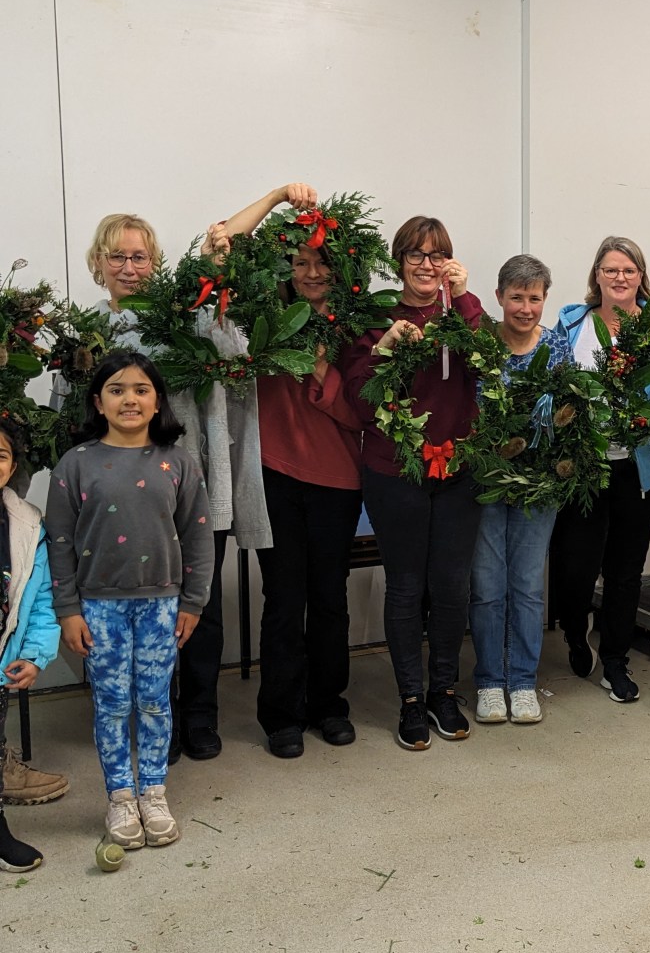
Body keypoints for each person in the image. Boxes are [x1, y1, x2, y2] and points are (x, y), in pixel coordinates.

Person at [82, 184, 313, 763]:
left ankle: (198, 717)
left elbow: (223, 242)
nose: (129, 267)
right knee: (140, 610)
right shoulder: (87, 335)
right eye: (118, 256)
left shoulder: (183, 310)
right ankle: (146, 714)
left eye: (140, 256)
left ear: (156, 263)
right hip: (121, 498)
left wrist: (281, 194)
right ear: (98, 265)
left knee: (197, 606)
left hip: (189, 486)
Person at [45, 352, 214, 849]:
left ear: (156, 399)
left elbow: (199, 537)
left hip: (163, 604)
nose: (130, 399)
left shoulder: (179, 462)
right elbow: (58, 542)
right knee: (113, 705)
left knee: (156, 703)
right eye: (117, 390)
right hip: (98, 607)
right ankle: (121, 797)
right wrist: (68, 610)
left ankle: (153, 793)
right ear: (98, 402)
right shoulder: (74, 465)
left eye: (140, 389)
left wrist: (194, 601)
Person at [343, 216, 482, 751]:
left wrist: (466, 299)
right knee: (405, 585)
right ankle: (409, 698)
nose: (427, 266)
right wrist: (386, 351)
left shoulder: (460, 313)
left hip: (457, 468)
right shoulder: (379, 317)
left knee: (450, 584)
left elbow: (488, 365)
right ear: (399, 261)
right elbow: (359, 399)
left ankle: (443, 690)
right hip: (393, 469)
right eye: (416, 256)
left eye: (437, 256)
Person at [549, 236, 650, 703]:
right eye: (611, 270)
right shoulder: (572, 323)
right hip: (583, 465)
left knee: (625, 569)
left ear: (641, 276)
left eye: (629, 270)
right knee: (576, 566)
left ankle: (616, 661)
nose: (620, 278)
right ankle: (574, 631)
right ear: (597, 276)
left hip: (641, 469)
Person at [253, 233, 363, 758]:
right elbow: (223, 250)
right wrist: (277, 195)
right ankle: (280, 713)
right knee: (283, 598)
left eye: (322, 263)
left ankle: (328, 704)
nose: (312, 273)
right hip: (275, 473)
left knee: (329, 598)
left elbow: (362, 412)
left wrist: (322, 370)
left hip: (338, 479)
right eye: (301, 262)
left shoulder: (357, 328)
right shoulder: (263, 318)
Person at [470, 255, 571, 725]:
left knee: (528, 587)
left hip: (539, 488)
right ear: (499, 298)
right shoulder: (483, 345)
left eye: (534, 298)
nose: (525, 307)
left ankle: (524, 681)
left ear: (544, 300)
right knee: (489, 587)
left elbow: (573, 411)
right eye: (516, 297)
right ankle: (490, 680)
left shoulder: (557, 345)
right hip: (488, 485)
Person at [0, 417, 63, 872]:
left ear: (12, 466)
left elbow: (42, 600)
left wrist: (35, 654)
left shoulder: (27, 524)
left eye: (0, 456)